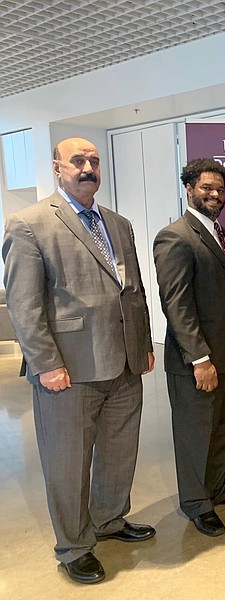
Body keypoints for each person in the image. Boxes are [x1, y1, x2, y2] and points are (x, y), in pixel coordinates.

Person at [2, 137, 156, 584]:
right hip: (67, 369)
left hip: (124, 362)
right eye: (77, 160)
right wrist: (46, 362)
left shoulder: (118, 223)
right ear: (57, 167)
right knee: (67, 462)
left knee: (118, 451)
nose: (87, 167)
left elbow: (134, 291)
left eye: (93, 160)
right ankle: (73, 546)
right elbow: (24, 304)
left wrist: (143, 343)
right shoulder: (29, 223)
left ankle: (109, 521)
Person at [153, 158, 225, 539]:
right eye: (206, 188)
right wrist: (200, 359)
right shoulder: (175, 237)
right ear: (189, 189)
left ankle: (217, 487)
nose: (215, 195)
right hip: (198, 363)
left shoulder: (223, 235)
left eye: (219, 189)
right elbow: (177, 305)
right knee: (196, 434)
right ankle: (197, 504)